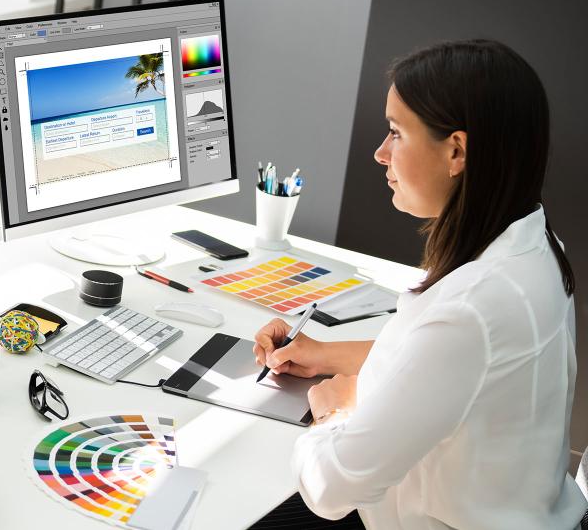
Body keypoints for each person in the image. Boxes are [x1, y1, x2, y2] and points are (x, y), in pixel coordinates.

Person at [251, 40, 586, 529]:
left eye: (395, 133)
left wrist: (339, 412)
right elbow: (449, 365)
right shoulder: (533, 243)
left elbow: (331, 489)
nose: (380, 153)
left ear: (456, 151)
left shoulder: (474, 309)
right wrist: (324, 355)